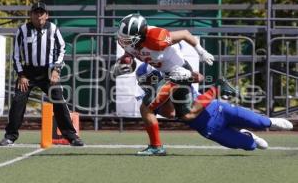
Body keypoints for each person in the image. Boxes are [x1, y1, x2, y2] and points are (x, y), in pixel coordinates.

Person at [135, 63, 293, 155]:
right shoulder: (150, 100)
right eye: (144, 81)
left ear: (157, 76)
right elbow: (171, 113)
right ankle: (246, 134)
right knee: (250, 146)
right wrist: (165, 95)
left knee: (261, 122)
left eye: (149, 80)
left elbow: (199, 77)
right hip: (208, 128)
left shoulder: (172, 75)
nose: (147, 84)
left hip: (217, 108)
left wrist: (185, 74)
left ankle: (269, 121)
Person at [115, 13, 216, 155]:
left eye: (128, 39)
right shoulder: (130, 41)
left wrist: (201, 51)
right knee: (185, 115)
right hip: (165, 74)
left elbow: (185, 34)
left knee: (146, 107)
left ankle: (156, 147)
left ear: (140, 35)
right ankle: (215, 90)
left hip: (178, 72)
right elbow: (130, 55)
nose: (123, 41)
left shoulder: (157, 38)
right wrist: (126, 61)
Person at [0, 2, 84, 146]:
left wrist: (56, 70)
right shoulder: (22, 30)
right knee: (18, 101)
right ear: (30, 15)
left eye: (41, 12)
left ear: (47, 15)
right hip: (28, 72)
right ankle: (10, 136)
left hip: (48, 72)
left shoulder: (53, 29)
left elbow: (62, 49)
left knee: (58, 101)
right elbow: (16, 55)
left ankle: (72, 136)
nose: (39, 15)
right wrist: (21, 75)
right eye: (35, 13)